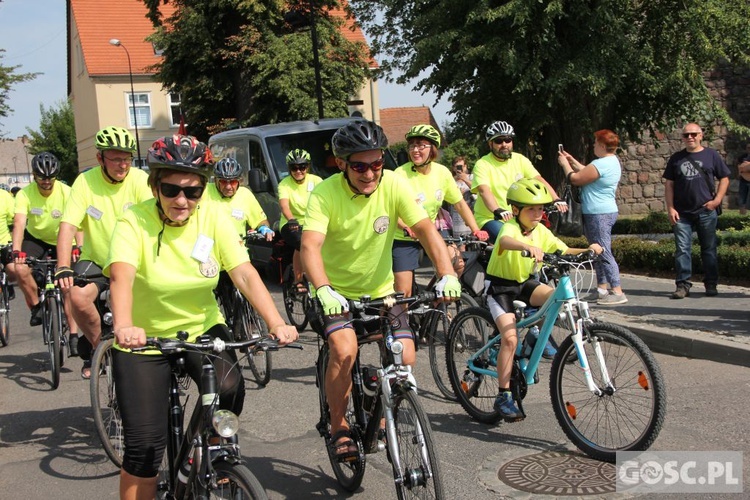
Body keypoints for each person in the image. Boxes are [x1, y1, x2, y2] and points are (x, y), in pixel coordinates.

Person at [105, 135, 298, 500]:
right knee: (145, 449)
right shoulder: (134, 220)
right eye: (171, 189)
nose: (182, 200)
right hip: (144, 339)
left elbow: (242, 272)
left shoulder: (213, 215)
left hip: (200, 327)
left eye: (192, 192)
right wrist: (125, 325)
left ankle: (209, 449)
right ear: (155, 185)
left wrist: (276, 321)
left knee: (230, 386)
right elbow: (121, 276)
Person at [300, 120, 461, 462]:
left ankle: (384, 404)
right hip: (337, 294)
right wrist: (324, 289)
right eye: (360, 166)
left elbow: (424, 229)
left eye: (377, 164)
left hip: (382, 292)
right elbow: (311, 246)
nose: (371, 173)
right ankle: (339, 424)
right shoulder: (324, 194)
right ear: (342, 163)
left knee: (405, 355)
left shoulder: (394, 184)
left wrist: (446, 273)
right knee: (344, 351)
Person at [484, 178, 602, 421]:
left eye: (540, 209)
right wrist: (525, 247)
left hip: (525, 284)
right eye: (531, 209)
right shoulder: (511, 228)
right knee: (509, 339)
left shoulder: (541, 230)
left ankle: (536, 336)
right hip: (501, 288)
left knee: (554, 298)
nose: (537, 214)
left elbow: (563, 250)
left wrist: (588, 250)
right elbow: (505, 241)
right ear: (516, 210)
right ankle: (503, 395)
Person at [56, 126, 153, 379]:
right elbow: (67, 226)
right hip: (98, 260)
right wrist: (63, 265)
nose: (123, 165)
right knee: (76, 296)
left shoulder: (140, 180)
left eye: (127, 158)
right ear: (100, 158)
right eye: (116, 158)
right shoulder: (85, 182)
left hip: (134, 260)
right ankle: (101, 347)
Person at [392, 124, 488, 297]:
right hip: (403, 236)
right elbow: (391, 211)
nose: (415, 150)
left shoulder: (442, 173)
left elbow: (459, 203)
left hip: (430, 233)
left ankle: (437, 304)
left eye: (421, 145)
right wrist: (405, 226)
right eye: (412, 145)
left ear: (433, 149)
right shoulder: (400, 175)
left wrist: (476, 229)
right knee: (403, 293)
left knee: (457, 263)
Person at [6, 153, 82, 347]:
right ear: (34, 176)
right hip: (36, 239)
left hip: (62, 239)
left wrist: (78, 247)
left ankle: (74, 335)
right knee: (20, 268)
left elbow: (77, 224)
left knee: (67, 285)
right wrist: (16, 251)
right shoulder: (25, 194)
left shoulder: (66, 192)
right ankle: (37, 307)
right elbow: (19, 223)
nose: (47, 181)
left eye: (51, 177)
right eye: (42, 178)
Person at [558, 130, 627, 305]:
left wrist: (564, 165)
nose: (594, 145)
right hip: (601, 211)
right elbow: (588, 172)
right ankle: (602, 289)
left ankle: (617, 291)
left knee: (603, 250)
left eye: (596, 143)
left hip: (599, 213)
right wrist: (572, 161)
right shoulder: (610, 162)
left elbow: (576, 178)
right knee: (596, 249)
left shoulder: (601, 163)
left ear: (603, 146)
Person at [663, 123, 730, 299]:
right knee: (682, 249)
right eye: (686, 135)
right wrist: (670, 208)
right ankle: (683, 285)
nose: (690, 137)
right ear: (683, 138)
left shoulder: (711, 155)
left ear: (701, 136)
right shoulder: (676, 158)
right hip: (682, 213)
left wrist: (716, 201)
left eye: (693, 134)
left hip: (706, 211)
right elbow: (669, 184)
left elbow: (724, 178)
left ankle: (711, 284)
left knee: (709, 249)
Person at [471, 120, 566, 243]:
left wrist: (556, 199)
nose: (504, 144)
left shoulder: (520, 160)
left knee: (544, 241)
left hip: (519, 218)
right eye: (499, 141)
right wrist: (497, 210)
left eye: (508, 140)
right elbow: (484, 190)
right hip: (491, 218)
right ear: (490, 144)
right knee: (513, 241)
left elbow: (538, 180)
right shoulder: (482, 164)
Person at [278, 148, 322, 285]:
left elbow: (325, 201)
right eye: (294, 168)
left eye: (302, 167)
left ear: (307, 167)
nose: (298, 171)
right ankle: (299, 280)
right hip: (291, 222)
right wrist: (291, 219)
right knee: (301, 243)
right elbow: (284, 206)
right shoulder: (284, 184)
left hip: (312, 221)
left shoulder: (316, 180)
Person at [203, 157, 275, 241]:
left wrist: (264, 228)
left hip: (237, 247)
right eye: (223, 181)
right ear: (215, 180)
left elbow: (260, 220)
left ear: (239, 181)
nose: (228, 186)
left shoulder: (245, 195)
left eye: (233, 182)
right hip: (209, 248)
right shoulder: (204, 190)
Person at [448, 156, 475, 240]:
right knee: (460, 243)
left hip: (472, 214)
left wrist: (465, 179)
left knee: (473, 241)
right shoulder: (451, 180)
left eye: (462, 166)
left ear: (466, 166)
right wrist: (457, 195)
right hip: (457, 217)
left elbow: (478, 191)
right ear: (453, 168)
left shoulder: (472, 177)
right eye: (457, 167)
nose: (460, 169)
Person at [736, 143, 750, 215]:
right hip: (743, 180)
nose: (749, 149)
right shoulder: (742, 157)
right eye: (748, 147)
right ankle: (742, 216)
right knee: (742, 199)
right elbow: (739, 166)